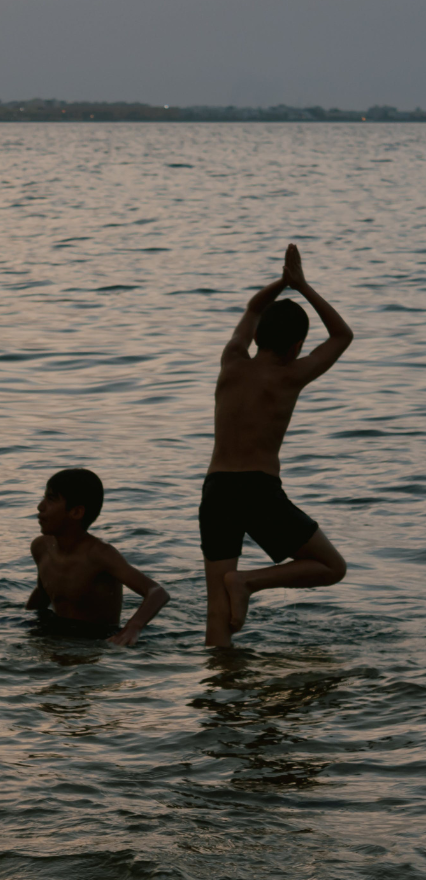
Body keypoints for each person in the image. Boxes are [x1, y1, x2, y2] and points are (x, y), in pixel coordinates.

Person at [200, 243, 353, 647]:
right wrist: (302, 286)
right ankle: (249, 582)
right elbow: (342, 334)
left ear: (259, 336)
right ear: (294, 348)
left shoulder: (232, 359)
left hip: (215, 488)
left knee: (217, 607)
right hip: (257, 489)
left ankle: (220, 699)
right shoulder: (291, 375)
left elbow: (252, 308)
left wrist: (281, 284)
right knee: (331, 566)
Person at [26, 468, 170, 646]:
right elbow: (43, 593)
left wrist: (132, 627)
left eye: (51, 499)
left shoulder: (99, 555)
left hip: (95, 639)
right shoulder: (41, 547)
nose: (40, 506)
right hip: (55, 630)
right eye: (43, 497)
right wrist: (23, 622)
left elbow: (157, 592)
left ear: (76, 512)